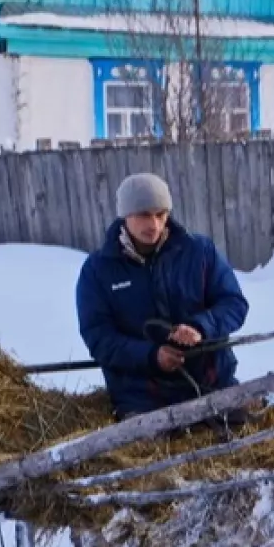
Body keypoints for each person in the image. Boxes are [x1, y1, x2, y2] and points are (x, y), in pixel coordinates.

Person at [75, 172, 250, 421]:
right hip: (140, 396)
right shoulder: (98, 270)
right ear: (125, 215)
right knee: (146, 454)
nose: (154, 225)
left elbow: (234, 304)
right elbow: (99, 337)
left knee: (241, 437)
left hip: (211, 384)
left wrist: (201, 327)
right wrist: (150, 356)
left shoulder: (200, 252)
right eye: (144, 215)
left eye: (160, 214)